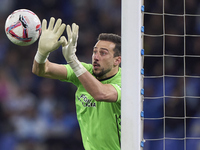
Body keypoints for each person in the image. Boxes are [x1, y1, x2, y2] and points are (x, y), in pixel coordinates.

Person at [32, 17, 121, 150]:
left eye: (103, 53)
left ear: (116, 60)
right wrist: (42, 53)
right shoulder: (85, 71)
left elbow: (101, 93)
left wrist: (73, 61)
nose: (96, 57)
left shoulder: (126, 81)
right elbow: (41, 70)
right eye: (95, 52)